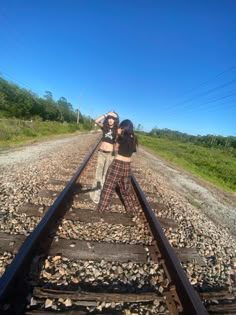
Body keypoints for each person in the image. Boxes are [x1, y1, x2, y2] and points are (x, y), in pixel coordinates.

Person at [97, 119, 138, 213]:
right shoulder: (134, 139)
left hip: (117, 164)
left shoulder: (121, 136)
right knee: (126, 189)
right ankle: (130, 209)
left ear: (124, 128)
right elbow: (132, 152)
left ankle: (102, 209)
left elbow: (115, 148)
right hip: (127, 166)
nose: (119, 128)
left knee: (108, 187)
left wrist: (117, 136)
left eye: (120, 127)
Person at [90, 111, 119, 204]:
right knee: (98, 173)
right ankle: (95, 193)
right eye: (110, 118)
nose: (111, 120)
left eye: (113, 119)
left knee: (105, 175)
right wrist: (106, 114)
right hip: (101, 153)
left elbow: (126, 132)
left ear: (116, 120)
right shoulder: (104, 127)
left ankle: (101, 194)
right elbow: (96, 121)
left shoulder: (117, 130)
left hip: (110, 155)